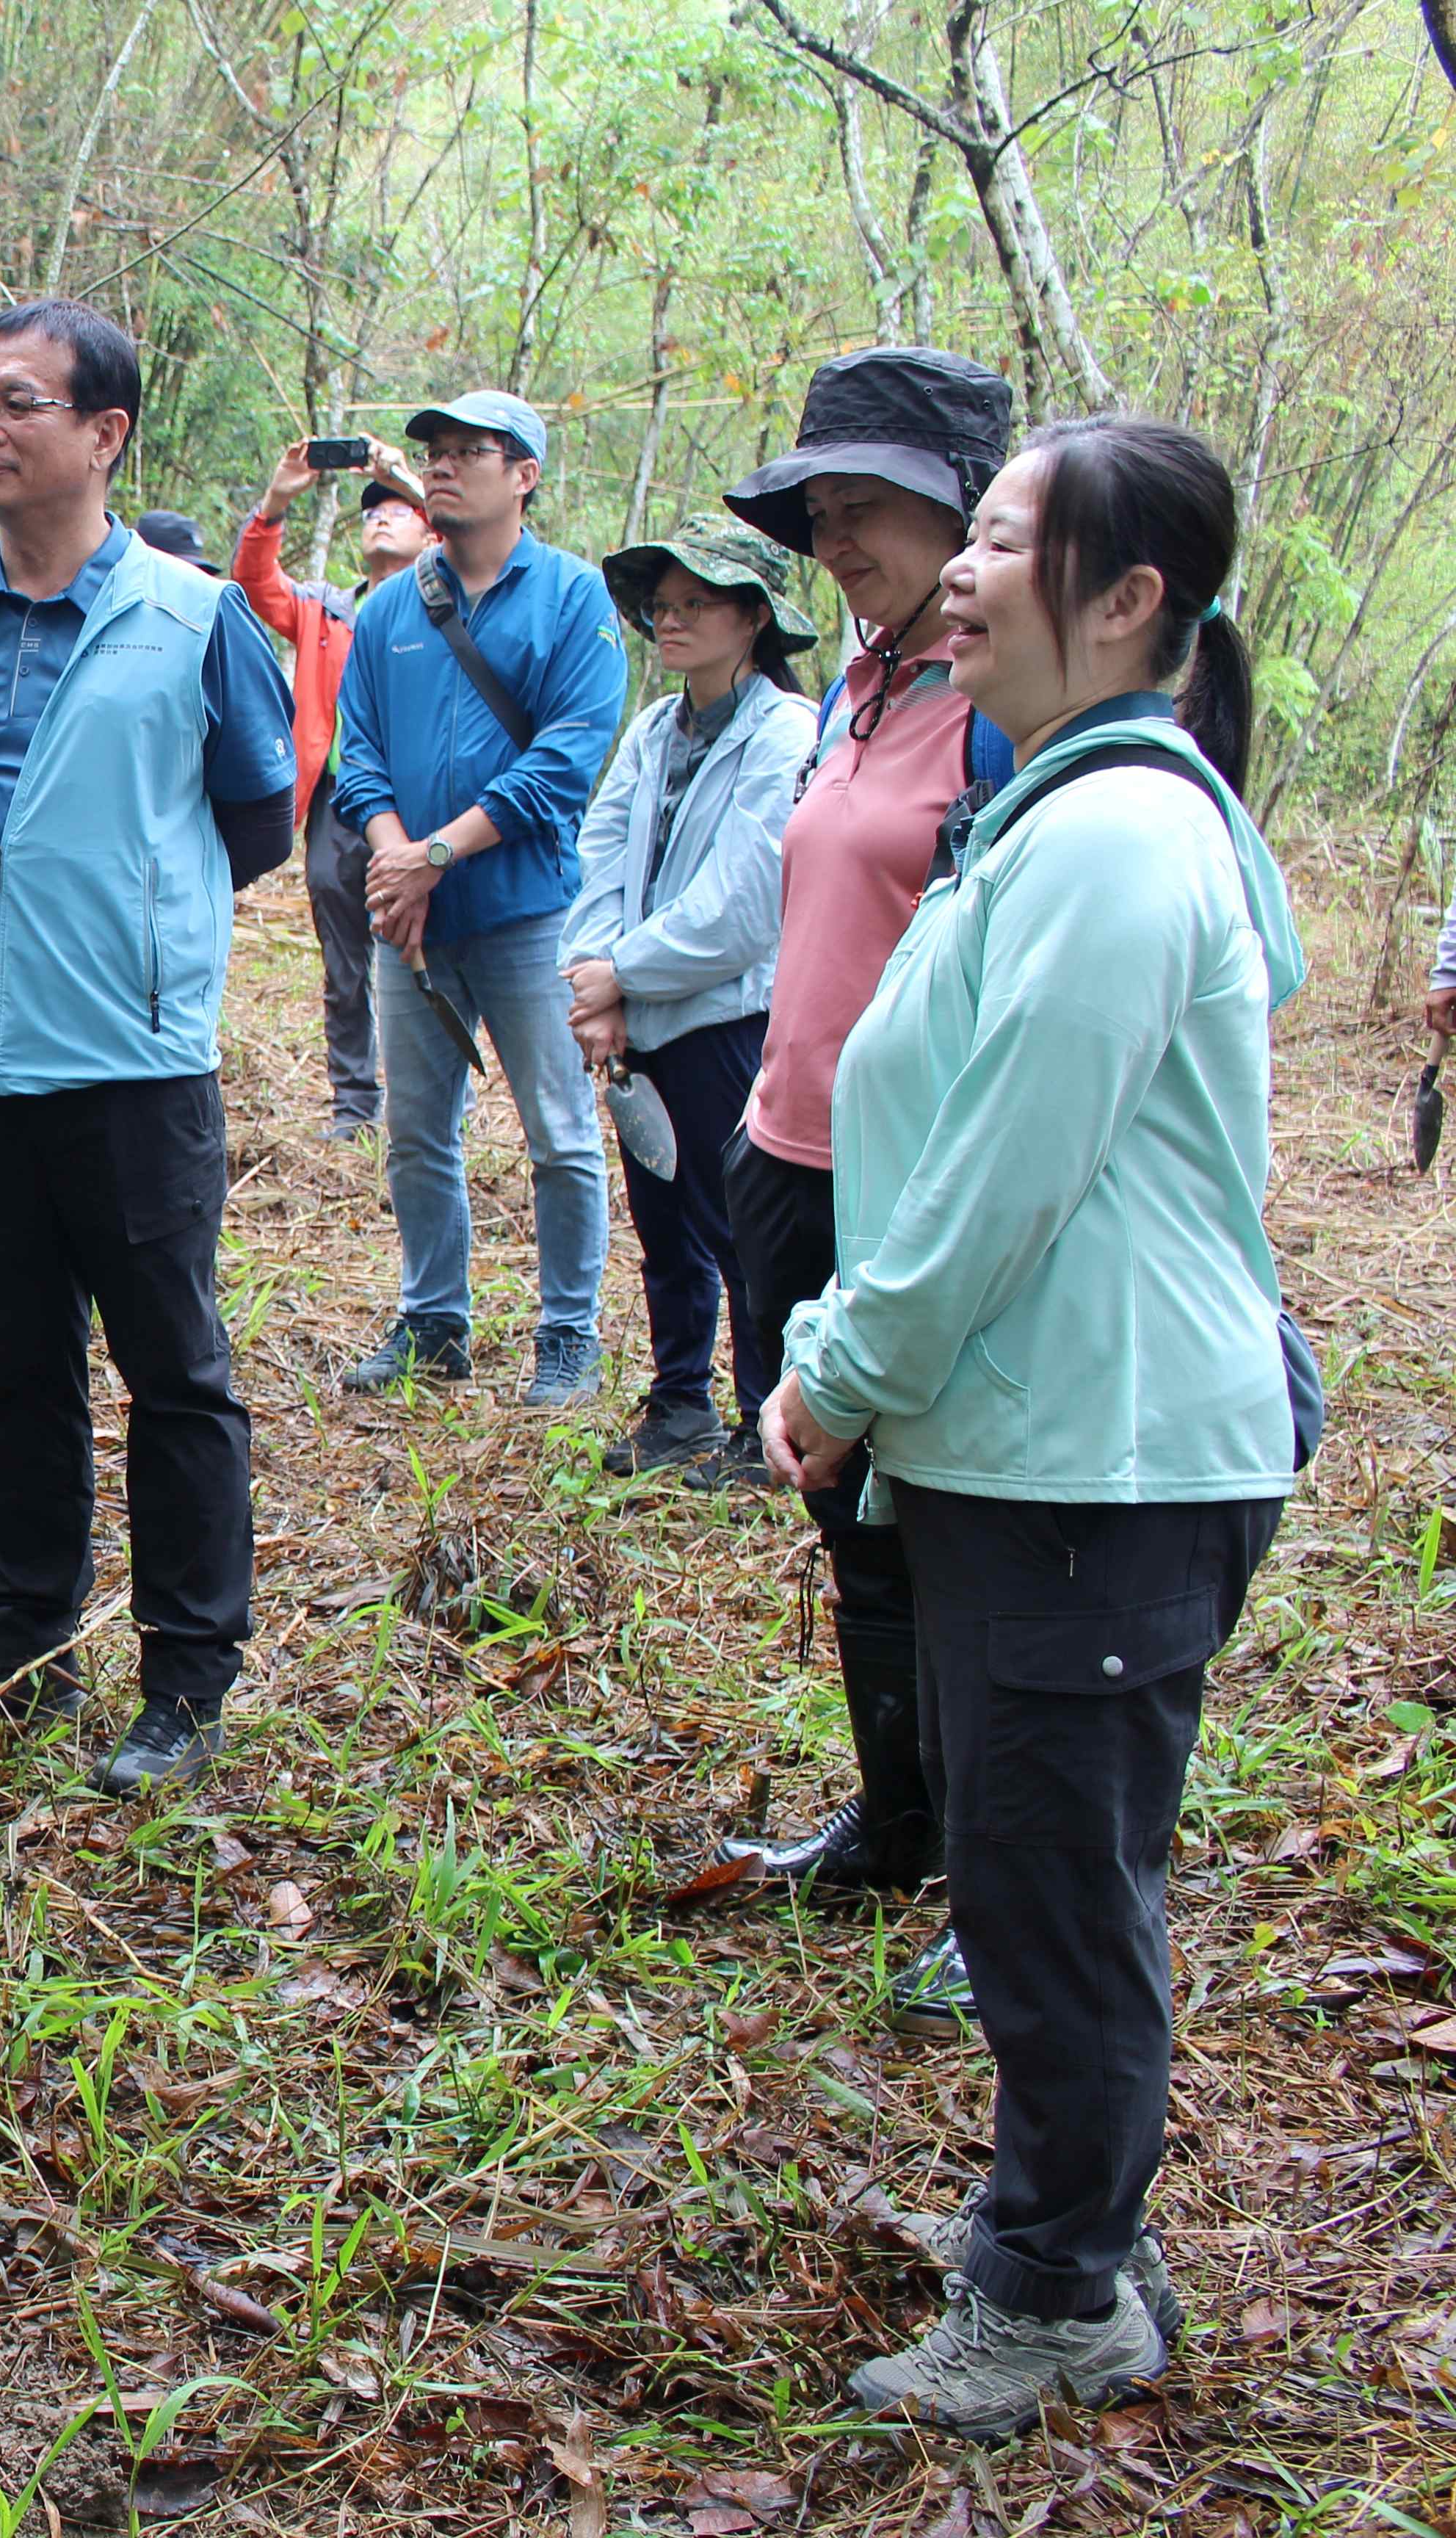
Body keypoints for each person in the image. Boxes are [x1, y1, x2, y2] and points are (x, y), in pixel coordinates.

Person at [763, 416, 1303, 2438]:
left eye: (1003, 538)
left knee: (1051, 1897)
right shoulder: (1061, 813)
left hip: (1097, 1461)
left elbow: (1002, 1175)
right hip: (1045, 1445)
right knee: (1048, 1874)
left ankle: (1054, 2291)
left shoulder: (1115, 839)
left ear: (1130, 597)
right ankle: (1084, 2227)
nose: (964, 573)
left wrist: (838, 1368)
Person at [0, 300, 300, 1793]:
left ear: (106, 433)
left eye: (19, 403)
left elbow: (254, 821)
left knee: (173, 1372)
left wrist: (133, 923)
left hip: (132, 1064)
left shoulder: (194, 621)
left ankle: (185, 1680)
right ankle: (18, 1650)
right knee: (20, 1369)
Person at [711, 348, 1018, 2045]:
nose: (835, 536)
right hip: (790, 1155)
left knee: (961, 1532)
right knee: (849, 1519)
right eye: (818, 508)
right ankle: (897, 1820)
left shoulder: (1003, 708)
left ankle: (999, 1880)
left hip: (915, 1181)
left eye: (869, 504)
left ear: (966, 521)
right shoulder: (860, 687)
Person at [328, 389, 629, 1408]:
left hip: (524, 911)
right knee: (417, 1128)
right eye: (436, 452)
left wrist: (436, 855)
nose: (444, 466)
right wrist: (395, 863)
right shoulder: (388, 611)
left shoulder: (573, 599)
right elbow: (358, 753)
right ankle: (434, 1323)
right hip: (409, 918)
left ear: (525, 475)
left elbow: (566, 760)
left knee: (559, 1129)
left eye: (471, 451)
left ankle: (569, 1335)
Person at [558, 516, 819, 1477]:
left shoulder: (786, 734)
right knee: (664, 1221)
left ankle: (761, 1420)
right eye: (662, 605)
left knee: (739, 1227)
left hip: (726, 1018)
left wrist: (621, 974)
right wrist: (596, 979)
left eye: (696, 603)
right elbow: (600, 853)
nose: (670, 620)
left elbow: (743, 904)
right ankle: (678, 1404)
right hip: (641, 1017)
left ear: (753, 618)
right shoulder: (655, 730)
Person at [235, 442, 432, 1136]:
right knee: (344, 959)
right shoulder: (329, 610)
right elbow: (255, 584)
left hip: (422, 804)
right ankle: (354, 1104)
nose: (380, 518)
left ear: (430, 534)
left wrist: (403, 475)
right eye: (372, 512)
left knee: (421, 948)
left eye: (399, 512)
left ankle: (435, 1103)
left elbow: (478, 536)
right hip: (338, 803)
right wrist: (278, 499)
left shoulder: (448, 603)